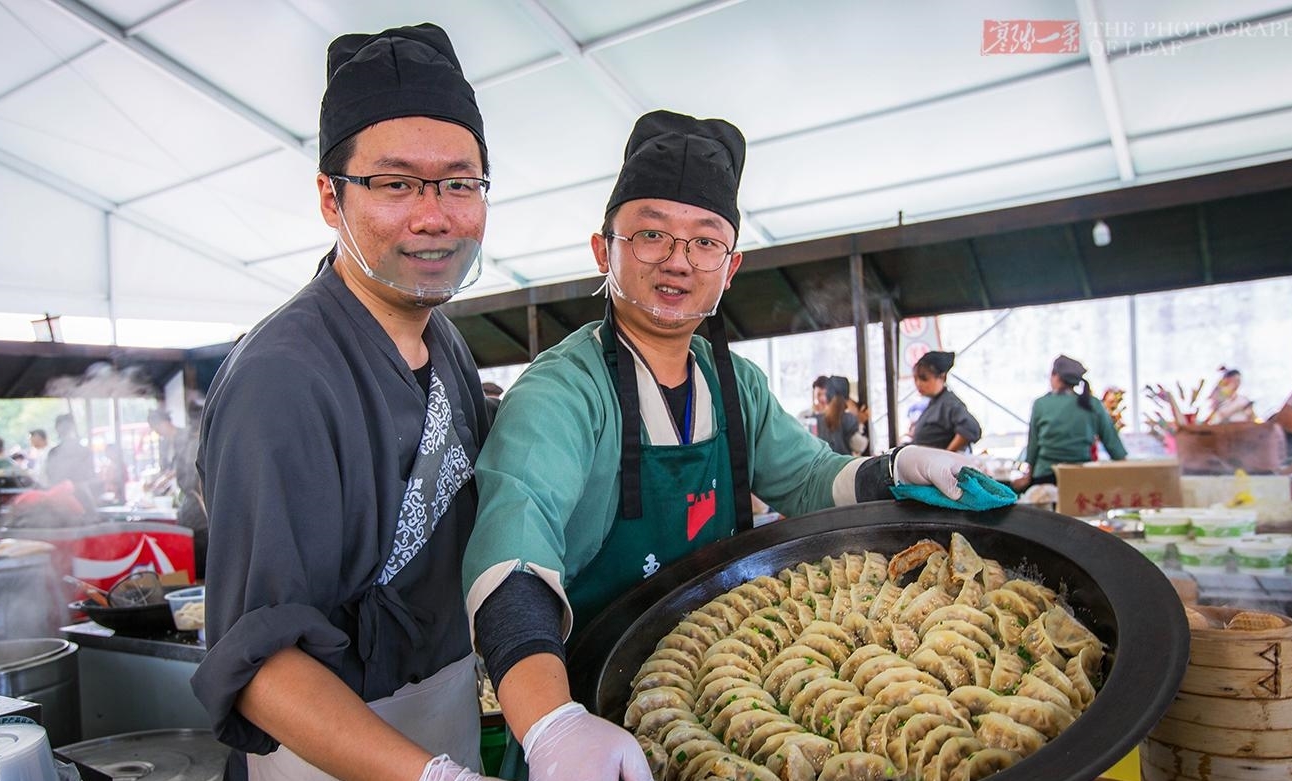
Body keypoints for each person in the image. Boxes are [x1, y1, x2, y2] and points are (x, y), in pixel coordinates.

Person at [461, 110, 976, 781]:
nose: (678, 260)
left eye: (705, 242)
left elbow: (809, 478)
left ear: (730, 267)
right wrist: (554, 727)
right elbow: (512, 552)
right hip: (589, 708)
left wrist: (896, 465)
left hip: (727, 689)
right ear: (603, 250)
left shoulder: (734, 382)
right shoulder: (563, 390)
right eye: (651, 234)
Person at [190, 24, 497, 781]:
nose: (435, 216)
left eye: (460, 183)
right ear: (331, 196)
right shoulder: (282, 379)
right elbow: (259, 660)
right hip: (322, 756)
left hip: (443, 713)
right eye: (396, 184)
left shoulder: (447, 343)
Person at [1021, 355, 1127, 486]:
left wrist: (1028, 475)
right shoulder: (1092, 404)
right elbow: (1113, 444)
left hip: (1045, 478)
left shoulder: (1041, 404)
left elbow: (1033, 445)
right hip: (1082, 478)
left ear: (1056, 376)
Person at [910, 351, 981, 453]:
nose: (918, 384)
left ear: (942, 377)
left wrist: (948, 454)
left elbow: (971, 427)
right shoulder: (935, 402)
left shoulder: (949, 403)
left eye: (923, 378)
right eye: (915, 379)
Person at [44, 413, 97, 507]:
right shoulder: (84, 451)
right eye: (61, 426)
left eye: (65, 426)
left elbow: (50, 476)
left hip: (74, 497)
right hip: (65, 497)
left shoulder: (84, 451)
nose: (63, 428)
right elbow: (91, 474)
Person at [814, 375, 868, 455]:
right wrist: (861, 423)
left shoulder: (814, 420)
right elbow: (860, 446)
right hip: (844, 466)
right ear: (847, 398)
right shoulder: (849, 419)